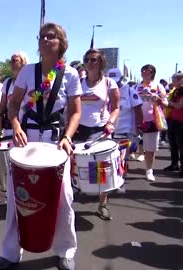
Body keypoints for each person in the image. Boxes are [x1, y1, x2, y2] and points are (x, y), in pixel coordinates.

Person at [0, 23, 81, 270]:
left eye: (50, 36)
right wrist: (16, 125)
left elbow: (75, 112)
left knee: (63, 196)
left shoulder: (71, 74)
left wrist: (67, 137)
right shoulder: (27, 72)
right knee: (16, 195)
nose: (44, 40)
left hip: (55, 142)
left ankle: (65, 250)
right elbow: (13, 104)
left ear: (61, 42)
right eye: (41, 36)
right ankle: (10, 253)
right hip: (26, 138)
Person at [73, 49, 120, 220]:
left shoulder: (109, 83)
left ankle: (103, 204)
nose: (89, 62)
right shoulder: (78, 83)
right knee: (76, 165)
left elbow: (115, 107)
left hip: (101, 129)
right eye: (86, 59)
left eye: (93, 59)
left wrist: (110, 123)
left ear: (101, 62)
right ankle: (72, 199)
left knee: (101, 168)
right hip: (80, 129)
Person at [0, 53, 29, 206]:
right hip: (9, 126)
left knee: (22, 162)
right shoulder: (7, 83)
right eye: (12, 61)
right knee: (4, 161)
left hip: (25, 126)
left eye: (16, 60)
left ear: (23, 62)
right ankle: (2, 193)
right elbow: (2, 106)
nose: (13, 63)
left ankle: (23, 194)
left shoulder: (29, 80)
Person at [135, 64, 168, 181]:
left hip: (152, 120)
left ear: (153, 72)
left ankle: (149, 170)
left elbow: (166, 104)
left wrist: (158, 100)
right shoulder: (135, 87)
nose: (145, 72)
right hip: (137, 120)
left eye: (148, 71)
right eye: (143, 70)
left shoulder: (158, 86)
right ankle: (122, 173)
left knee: (150, 148)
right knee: (128, 147)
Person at [109, 68, 143, 181]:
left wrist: (139, 126)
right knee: (110, 157)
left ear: (121, 79)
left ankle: (121, 179)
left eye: (116, 80)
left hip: (125, 131)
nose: (114, 83)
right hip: (108, 131)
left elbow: (138, 109)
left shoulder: (129, 91)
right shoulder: (105, 89)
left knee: (123, 157)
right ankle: (112, 180)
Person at [164, 73, 183, 176]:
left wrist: (168, 103)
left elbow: (180, 105)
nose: (172, 82)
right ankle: (174, 164)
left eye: (174, 80)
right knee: (173, 145)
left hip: (181, 121)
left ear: (181, 80)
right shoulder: (175, 90)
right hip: (173, 120)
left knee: (181, 145)